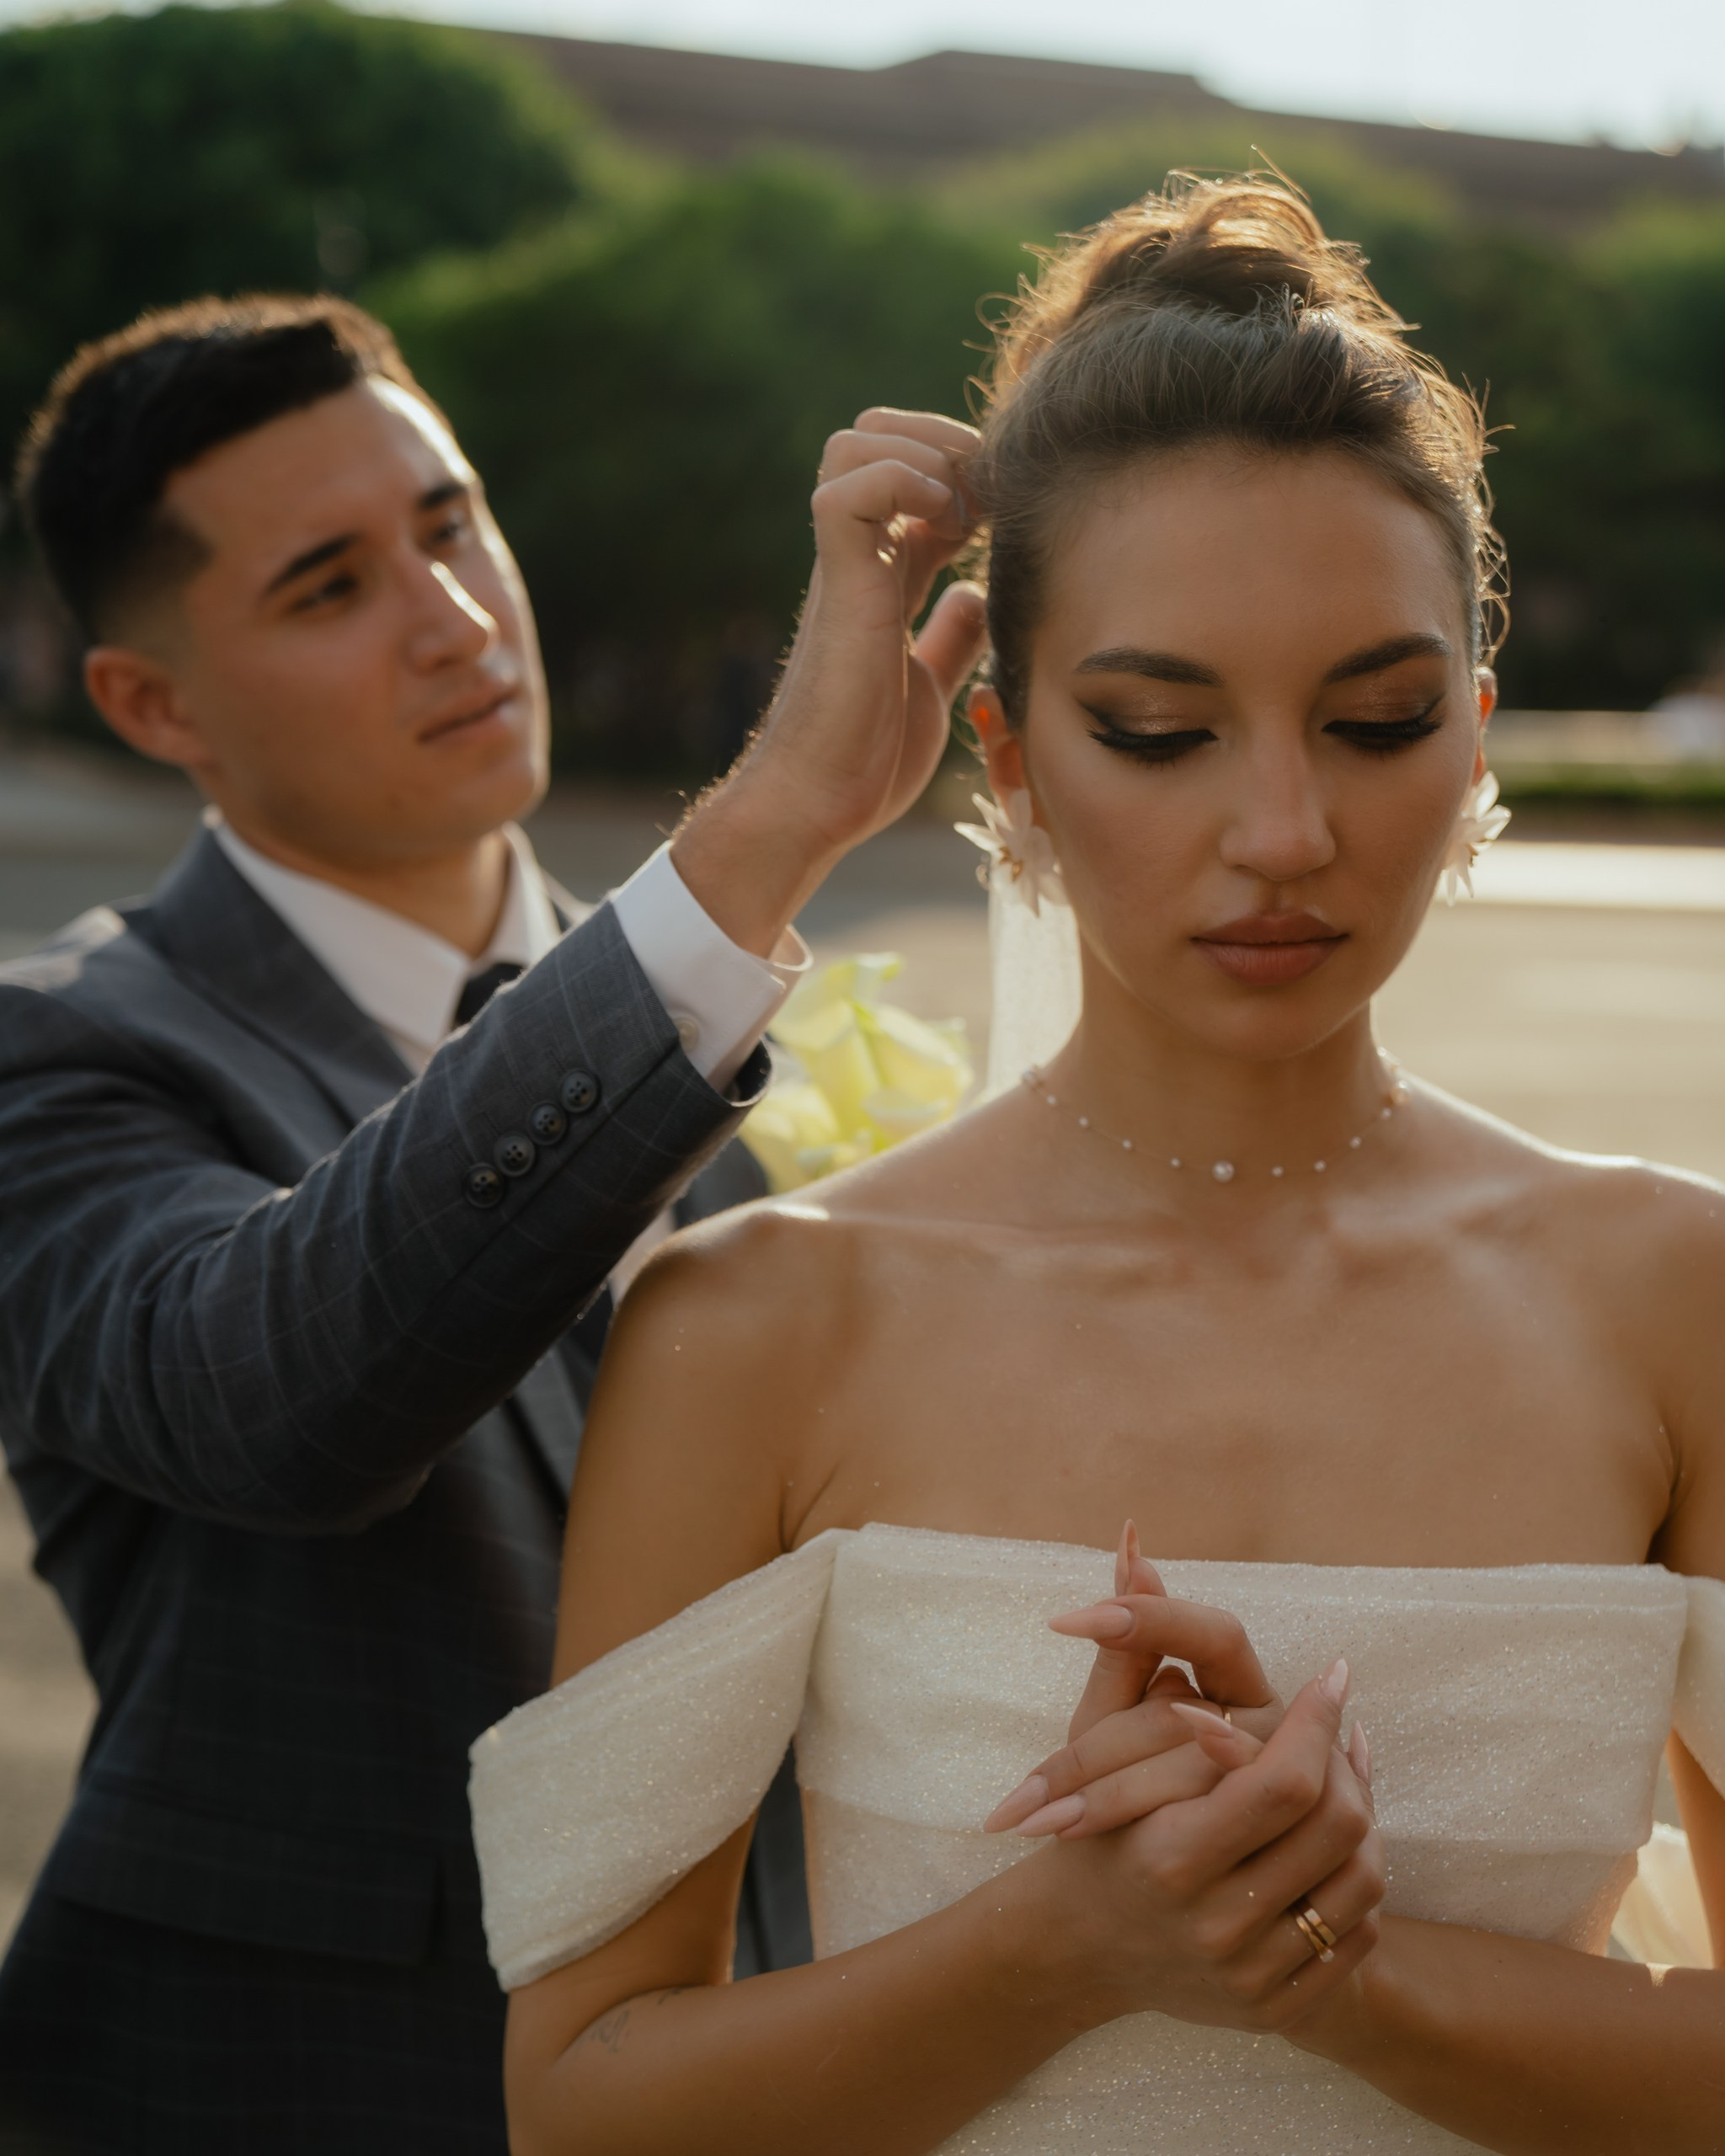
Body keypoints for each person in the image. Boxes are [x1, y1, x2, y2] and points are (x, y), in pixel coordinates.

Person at [476, 179, 1725, 2154]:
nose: (1284, 828)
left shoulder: (1677, 1295)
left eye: (1377, 718)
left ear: (1474, 733)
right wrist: (1059, 1944)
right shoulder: (760, 1318)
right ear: (1009, 754)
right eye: (1158, 729)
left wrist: (1324, 1964)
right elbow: (584, 2101)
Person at [0, 294, 986, 2152]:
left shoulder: (719, 1008)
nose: (454, 619)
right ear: (151, 704)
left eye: (450, 526)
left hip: (774, 2054)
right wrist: (769, 827)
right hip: (282, 2091)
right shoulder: (59, 1053)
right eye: (328, 588)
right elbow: (273, 1394)